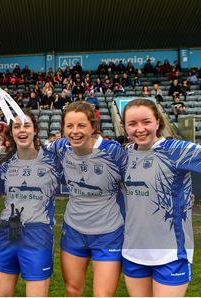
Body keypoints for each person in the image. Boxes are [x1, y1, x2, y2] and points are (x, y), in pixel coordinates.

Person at [121, 95, 201, 296]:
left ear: (158, 122)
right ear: (124, 127)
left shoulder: (178, 150)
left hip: (171, 254)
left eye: (146, 122)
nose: (140, 128)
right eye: (132, 124)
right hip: (133, 252)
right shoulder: (125, 154)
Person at [46, 102, 127, 296]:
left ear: (93, 127)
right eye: (69, 126)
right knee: (73, 291)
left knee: (103, 294)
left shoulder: (112, 151)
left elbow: (138, 180)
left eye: (81, 125)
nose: (75, 131)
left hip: (109, 232)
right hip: (74, 229)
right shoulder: (60, 148)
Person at [0, 111, 61, 297]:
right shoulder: (4, 165)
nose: (22, 130)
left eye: (26, 126)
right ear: (11, 133)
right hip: (7, 232)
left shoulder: (53, 161)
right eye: (16, 126)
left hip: (37, 233)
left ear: (35, 130)